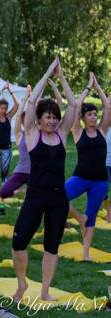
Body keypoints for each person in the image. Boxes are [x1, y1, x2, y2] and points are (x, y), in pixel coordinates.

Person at [11, 57, 77, 302]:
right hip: (35, 197)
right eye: (47, 117)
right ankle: (22, 284)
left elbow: (73, 105)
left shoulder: (61, 133)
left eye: (54, 117)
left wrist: (60, 77)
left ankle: (45, 290)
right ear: (38, 120)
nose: (51, 120)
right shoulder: (31, 133)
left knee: (52, 247)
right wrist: (47, 70)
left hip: (58, 199)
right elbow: (30, 101)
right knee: (18, 242)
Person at [65, 72, 110, 261]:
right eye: (89, 114)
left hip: (100, 181)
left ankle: (85, 254)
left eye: (94, 114)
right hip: (80, 178)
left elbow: (108, 106)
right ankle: (77, 217)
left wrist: (97, 86)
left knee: (91, 216)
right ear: (83, 118)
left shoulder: (102, 130)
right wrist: (87, 88)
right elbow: (74, 106)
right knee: (58, 196)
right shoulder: (77, 131)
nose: (93, 117)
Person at [0, 86, 32, 199]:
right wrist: (25, 98)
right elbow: (18, 115)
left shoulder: (38, 133)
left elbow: (37, 111)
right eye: (24, 119)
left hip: (36, 172)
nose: (26, 120)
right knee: (3, 192)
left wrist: (32, 98)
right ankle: (21, 190)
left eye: (28, 118)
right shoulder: (19, 134)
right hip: (21, 171)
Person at [0, 84, 20, 201]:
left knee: (4, 174)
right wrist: (1, 90)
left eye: (5, 108)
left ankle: (2, 194)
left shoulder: (9, 117)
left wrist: (10, 92)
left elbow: (17, 105)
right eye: (1, 108)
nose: (4, 110)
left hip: (7, 149)